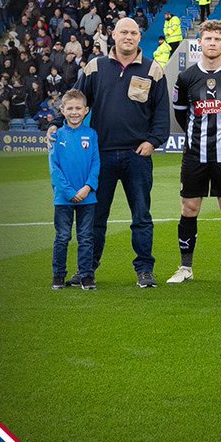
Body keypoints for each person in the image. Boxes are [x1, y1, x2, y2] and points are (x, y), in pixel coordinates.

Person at [49, 17, 169, 288]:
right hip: (100, 155)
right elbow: (75, 101)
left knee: (141, 216)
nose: (128, 36)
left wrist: (153, 141)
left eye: (134, 32)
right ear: (113, 35)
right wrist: (56, 124)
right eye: (123, 31)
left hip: (137, 156)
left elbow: (161, 114)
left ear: (140, 37)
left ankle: (145, 270)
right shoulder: (95, 66)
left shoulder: (153, 70)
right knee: (96, 218)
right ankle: (87, 270)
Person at [168, 19, 221, 285]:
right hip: (194, 156)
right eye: (208, 39)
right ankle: (185, 267)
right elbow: (181, 115)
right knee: (189, 207)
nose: (213, 43)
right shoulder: (185, 78)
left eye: (218, 39)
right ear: (200, 42)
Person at [49, 89, 100, 290]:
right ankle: (58, 275)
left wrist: (87, 187)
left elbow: (96, 163)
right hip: (63, 198)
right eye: (69, 108)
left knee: (86, 237)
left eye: (78, 108)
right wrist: (70, 192)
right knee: (62, 237)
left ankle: (87, 276)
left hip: (87, 197)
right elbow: (54, 169)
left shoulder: (91, 134)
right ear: (62, 110)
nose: (74, 112)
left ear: (86, 110)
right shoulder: (56, 135)